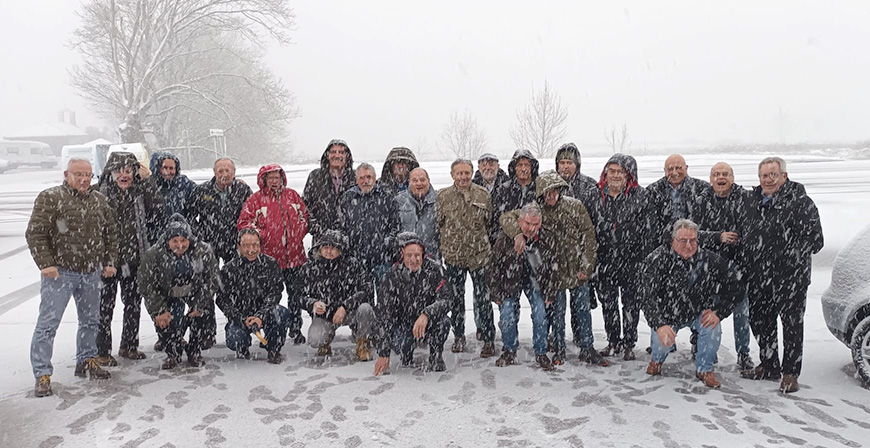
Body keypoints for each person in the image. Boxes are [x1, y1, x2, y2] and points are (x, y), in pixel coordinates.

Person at [26, 158, 118, 397]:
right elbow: (35, 233)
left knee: (90, 321)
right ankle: (42, 373)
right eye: (78, 174)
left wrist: (109, 261)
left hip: (90, 272)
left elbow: (111, 234)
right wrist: (46, 263)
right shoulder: (51, 198)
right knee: (48, 325)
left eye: (88, 174)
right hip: (61, 272)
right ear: (67, 174)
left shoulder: (99, 200)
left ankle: (87, 359)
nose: (84, 179)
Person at [500, 171, 600, 366]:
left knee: (583, 312)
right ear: (540, 193)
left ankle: (587, 348)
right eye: (547, 192)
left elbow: (588, 237)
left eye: (555, 191)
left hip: (577, 267)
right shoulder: (536, 211)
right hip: (555, 271)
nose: (551, 195)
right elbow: (506, 218)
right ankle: (559, 350)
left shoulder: (575, 206)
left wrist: (587, 266)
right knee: (557, 313)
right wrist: (517, 235)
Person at [741, 157, 824, 393]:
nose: (768, 180)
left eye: (773, 175)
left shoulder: (801, 202)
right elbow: (744, 233)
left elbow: (816, 241)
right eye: (763, 175)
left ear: (784, 176)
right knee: (760, 322)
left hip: (791, 278)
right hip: (758, 276)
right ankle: (769, 365)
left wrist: (786, 253)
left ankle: (790, 373)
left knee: (791, 327)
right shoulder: (750, 200)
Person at [641, 219, 740, 388]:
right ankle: (656, 360)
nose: (689, 245)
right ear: (673, 240)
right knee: (661, 342)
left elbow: (736, 286)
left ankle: (704, 369)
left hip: (698, 312)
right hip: (668, 314)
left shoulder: (710, 260)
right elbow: (646, 296)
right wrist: (659, 324)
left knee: (712, 329)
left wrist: (719, 312)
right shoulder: (657, 259)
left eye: (693, 240)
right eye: (683, 240)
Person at [95, 151, 165, 365]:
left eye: (128, 170)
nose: (124, 175)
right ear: (110, 173)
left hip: (134, 260)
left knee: (133, 305)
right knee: (104, 308)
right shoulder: (99, 193)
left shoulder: (140, 191)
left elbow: (159, 209)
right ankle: (102, 351)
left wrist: (148, 180)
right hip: (107, 261)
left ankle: (128, 346)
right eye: (119, 171)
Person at [238, 164, 309, 345]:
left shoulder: (292, 195)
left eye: (277, 177)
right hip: (270, 260)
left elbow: (305, 216)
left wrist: (297, 233)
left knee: (295, 295)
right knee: (270, 296)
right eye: (270, 178)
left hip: (294, 256)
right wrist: (266, 236)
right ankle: (270, 330)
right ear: (263, 179)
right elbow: (245, 223)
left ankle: (295, 327)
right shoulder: (256, 200)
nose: (274, 181)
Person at [694, 162, 754, 370]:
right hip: (709, 270)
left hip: (739, 269)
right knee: (708, 312)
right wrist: (718, 237)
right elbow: (693, 234)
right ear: (710, 179)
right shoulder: (701, 201)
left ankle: (743, 353)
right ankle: (707, 349)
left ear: (733, 177)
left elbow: (754, 230)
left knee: (741, 314)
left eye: (725, 174)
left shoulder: (745, 199)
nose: (721, 178)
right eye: (716, 174)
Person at [140, 214, 219, 369]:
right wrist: (160, 310)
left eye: (183, 240)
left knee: (204, 310)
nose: (180, 245)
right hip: (165, 291)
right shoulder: (153, 254)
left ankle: (194, 350)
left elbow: (213, 279)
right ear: (167, 241)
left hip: (193, 289)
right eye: (175, 241)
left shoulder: (203, 250)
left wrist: (199, 304)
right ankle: (173, 352)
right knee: (163, 320)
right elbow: (146, 284)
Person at [589, 154, 647, 361]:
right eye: (611, 171)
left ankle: (629, 343)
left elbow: (648, 231)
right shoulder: (594, 195)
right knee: (609, 304)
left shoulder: (640, 196)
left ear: (628, 175)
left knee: (631, 304)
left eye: (619, 172)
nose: (615, 175)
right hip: (604, 259)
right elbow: (588, 229)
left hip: (632, 260)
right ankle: (613, 340)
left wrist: (642, 259)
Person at [436, 159, 496, 357]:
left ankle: (488, 338)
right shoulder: (443, 197)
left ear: (472, 173)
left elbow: (489, 222)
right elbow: (440, 223)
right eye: (459, 173)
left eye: (466, 173)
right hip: (454, 257)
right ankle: (459, 336)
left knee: (483, 299)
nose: (463, 177)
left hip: (479, 256)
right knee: (456, 300)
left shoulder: (482, 194)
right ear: (452, 175)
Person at [489, 204, 559, 370]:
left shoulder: (547, 238)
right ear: (520, 222)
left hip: (536, 280)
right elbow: (493, 266)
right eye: (528, 224)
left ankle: (541, 353)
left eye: (535, 224)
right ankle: (509, 351)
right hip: (511, 279)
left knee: (541, 313)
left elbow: (553, 267)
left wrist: (550, 292)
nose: (531, 228)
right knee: (506, 314)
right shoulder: (505, 237)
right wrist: (496, 292)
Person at [374, 232, 452, 375]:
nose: (413, 259)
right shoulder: (391, 276)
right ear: (402, 254)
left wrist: (426, 314)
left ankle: (436, 355)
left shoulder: (435, 270)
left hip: (428, 321)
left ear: (423, 254)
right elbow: (383, 315)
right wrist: (383, 353)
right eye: (409, 255)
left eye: (417, 255)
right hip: (404, 323)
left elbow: (446, 300)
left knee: (444, 322)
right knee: (400, 342)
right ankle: (406, 352)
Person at [216, 228, 291, 364]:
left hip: (265, 312)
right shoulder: (228, 269)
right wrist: (240, 318)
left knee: (281, 313)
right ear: (239, 246)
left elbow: (275, 293)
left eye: (255, 245)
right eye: (246, 246)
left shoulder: (270, 264)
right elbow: (222, 300)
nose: (251, 250)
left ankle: (273, 348)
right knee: (235, 339)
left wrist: (260, 315)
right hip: (240, 314)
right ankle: (242, 347)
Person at [553, 142, 601, 348]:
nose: (565, 167)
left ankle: (584, 341)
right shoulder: (549, 185)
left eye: (569, 163)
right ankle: (557, 342)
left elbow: (593, 224)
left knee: (581, 303)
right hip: (556, 257)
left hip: (581, 254)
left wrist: (588, 259)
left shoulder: (589, 186)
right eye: (562, 163)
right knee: (556, 306)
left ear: (577, 164)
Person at [301, 230, 375, 360]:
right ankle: (325, 342)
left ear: (340, 250)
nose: (329, 251)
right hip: (324, 314)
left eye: (333, 248)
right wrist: (313, 303)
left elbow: (366, 290)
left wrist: (345, 306)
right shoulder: (310, 267)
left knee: (366, 309)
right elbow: (299, 295)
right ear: (319, 248)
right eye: (325, 247)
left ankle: (362, 342)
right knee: (315, 339)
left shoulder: (352, 264)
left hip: (349, 312)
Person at [339, 163, 400, 288]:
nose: (365, 181)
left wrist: (387, 242)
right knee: (363, 301)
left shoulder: (386, 195)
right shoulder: (348, 198)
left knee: (386, 297)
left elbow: (396, 224)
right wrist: (348, 246)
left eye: (369, 177)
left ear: (375, 177)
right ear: (356, 180)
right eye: (361, 178)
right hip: (358, 259)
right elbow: (341, 225)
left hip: (383, 259)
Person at [186, 157, 253, 262]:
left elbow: (251, 215)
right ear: (214, 172)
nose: (224, 174)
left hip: (235, 242)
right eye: (220, 171)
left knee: (234, 275)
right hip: (209, 242)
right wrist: (200, 233)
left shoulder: (243, 190)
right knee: (209, 276)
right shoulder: (202, 191)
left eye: (228, 171)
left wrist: (243, 236)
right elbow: (189, 215)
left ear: (234, 172)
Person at [645, 154, 710, 247]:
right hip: (662, 243)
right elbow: (650, 223)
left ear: (686, 168)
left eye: (679, 168)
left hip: (694, 241)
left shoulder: (702, 188)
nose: (675, 172)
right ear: (664, 171)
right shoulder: (653, 190)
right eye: (670, 169)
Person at [304, 139, 356, 238]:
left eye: (341, 152)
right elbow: (305, 207)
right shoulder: (315, 177)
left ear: (347, 156)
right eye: (333, 152)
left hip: (349, 240)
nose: (337, 155)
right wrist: (317, 229)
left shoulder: (356, 177)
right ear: (327, 155)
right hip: (321, 240)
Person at [490, 149, 539, 245]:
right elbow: (497, 219)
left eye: (527, 165)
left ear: (532, 167)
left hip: (536, 240)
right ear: (514, 168)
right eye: (520, 165)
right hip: (508, 241)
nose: (523, 169)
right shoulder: (503, 190)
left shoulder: (539, 188)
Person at [396, 168, 440, 261]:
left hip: (431, 256)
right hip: (405, 257)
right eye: (415, 180)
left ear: (428, 181)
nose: (419, 183)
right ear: (409, 182)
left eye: (422, 180)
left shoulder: (439, 201)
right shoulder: (399, 201)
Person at [149, 151, 196, 217]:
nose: (168, 172)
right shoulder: (150, 185)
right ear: (158, 169)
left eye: (171, 168)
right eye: (165, 168)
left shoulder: (184, 183)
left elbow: (200, 196)